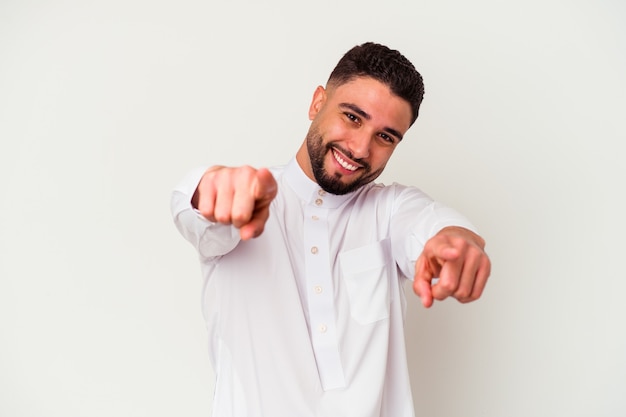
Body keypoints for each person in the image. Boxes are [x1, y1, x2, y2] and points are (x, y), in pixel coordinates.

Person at [171, 42, 491, 417]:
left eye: (385, 136)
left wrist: (458, 243)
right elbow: (201, 205)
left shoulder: (389, 210)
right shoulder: (245, 200)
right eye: (353, 117)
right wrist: (216, 191)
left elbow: (433, 225)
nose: (359, 148)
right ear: (317, 103)